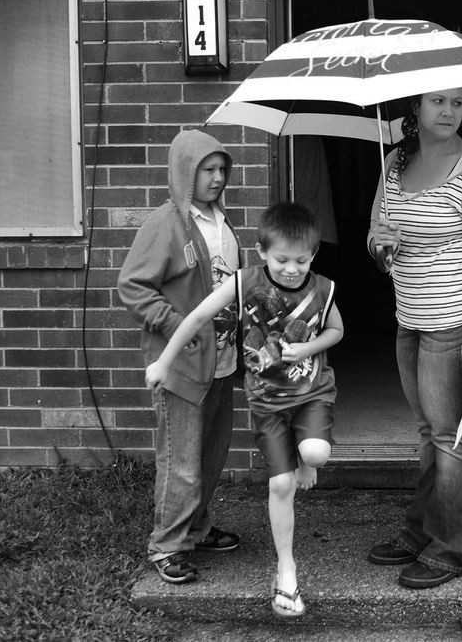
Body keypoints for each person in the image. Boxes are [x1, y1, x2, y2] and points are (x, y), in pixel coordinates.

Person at [146, 202, 343, 619]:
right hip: (268, 403)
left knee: (315, 455)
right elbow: (198, 314)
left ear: (314, 256)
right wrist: (164, 361)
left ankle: (306, 455)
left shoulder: (321, 289)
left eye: (302, 260)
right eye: (282, 260)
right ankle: (286, 572)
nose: (292, 269)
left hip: (310, 394)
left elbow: (336, 330)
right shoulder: (244, 283)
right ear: (261, 252)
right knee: (280, 485)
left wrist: (305, 348)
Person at [365, 88, 462, 589]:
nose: (448, 112)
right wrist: (381, 247)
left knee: (452, 438)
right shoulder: (392, 163)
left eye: (456, 103)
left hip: (455, 326)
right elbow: (377, 241)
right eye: (437, 102)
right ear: (415, 109)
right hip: (409, 319)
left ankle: (452, 549)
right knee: (430, 432)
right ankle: (421, 532)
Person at [118, 129, 243, 585]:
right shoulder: (166, 223)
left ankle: (197, 528)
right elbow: (132, 286)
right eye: (207, 170)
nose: (217, 178)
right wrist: (174, 325)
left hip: (222, 360)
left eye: (222, 169)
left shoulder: (220, 222)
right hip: (182, 363)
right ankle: (167, 545)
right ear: (184, 172)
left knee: (211, 456)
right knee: (182, 460)